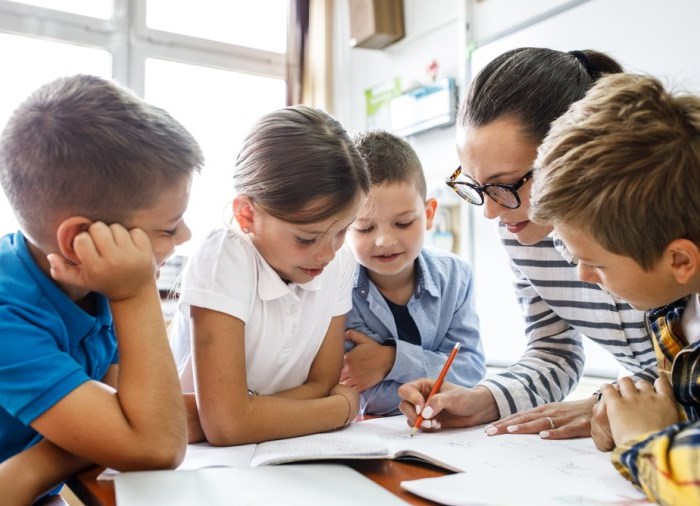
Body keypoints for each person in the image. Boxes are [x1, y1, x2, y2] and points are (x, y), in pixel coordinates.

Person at [398, 47, 657, 439]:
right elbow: (554, 350)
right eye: (474, 185)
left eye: (504, 185)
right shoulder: (520, 228)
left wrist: (610, 404)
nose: (489, 212)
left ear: (573, 155)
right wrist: (482, 399)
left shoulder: (665, 219)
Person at [0, 74, 203, 504]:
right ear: (79, 242)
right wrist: (136, 294)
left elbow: (136, 421)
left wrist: (33, 468)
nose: (185, 235)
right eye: (168, 227)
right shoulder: (7, 314)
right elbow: (158, 445)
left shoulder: (93, 282)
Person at [529, 72, 700, 505]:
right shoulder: (674, 306)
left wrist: (644, 438)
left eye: (595, 263)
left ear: (679, 261)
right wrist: (626, 415)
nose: (583, 276)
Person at [169, 105, 370, 445]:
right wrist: (341, 409)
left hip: (280, 452)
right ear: (247, 215)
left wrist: (240, 413)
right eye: (306, 238)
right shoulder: (225, 255)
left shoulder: (339, 262)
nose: (327, 253)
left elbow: (321, 383)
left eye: (342, 231)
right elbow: (226, 425)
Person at [342, 130, 485, 415]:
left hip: (444, 432)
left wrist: (392, 360)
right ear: (342, 225)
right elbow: (356, 387)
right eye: (365, 228)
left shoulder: (456, 276)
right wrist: (433, 378)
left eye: (403, 223)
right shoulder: (338, 286)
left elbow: (470, 370)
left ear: (429, 214)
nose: (385, 241)